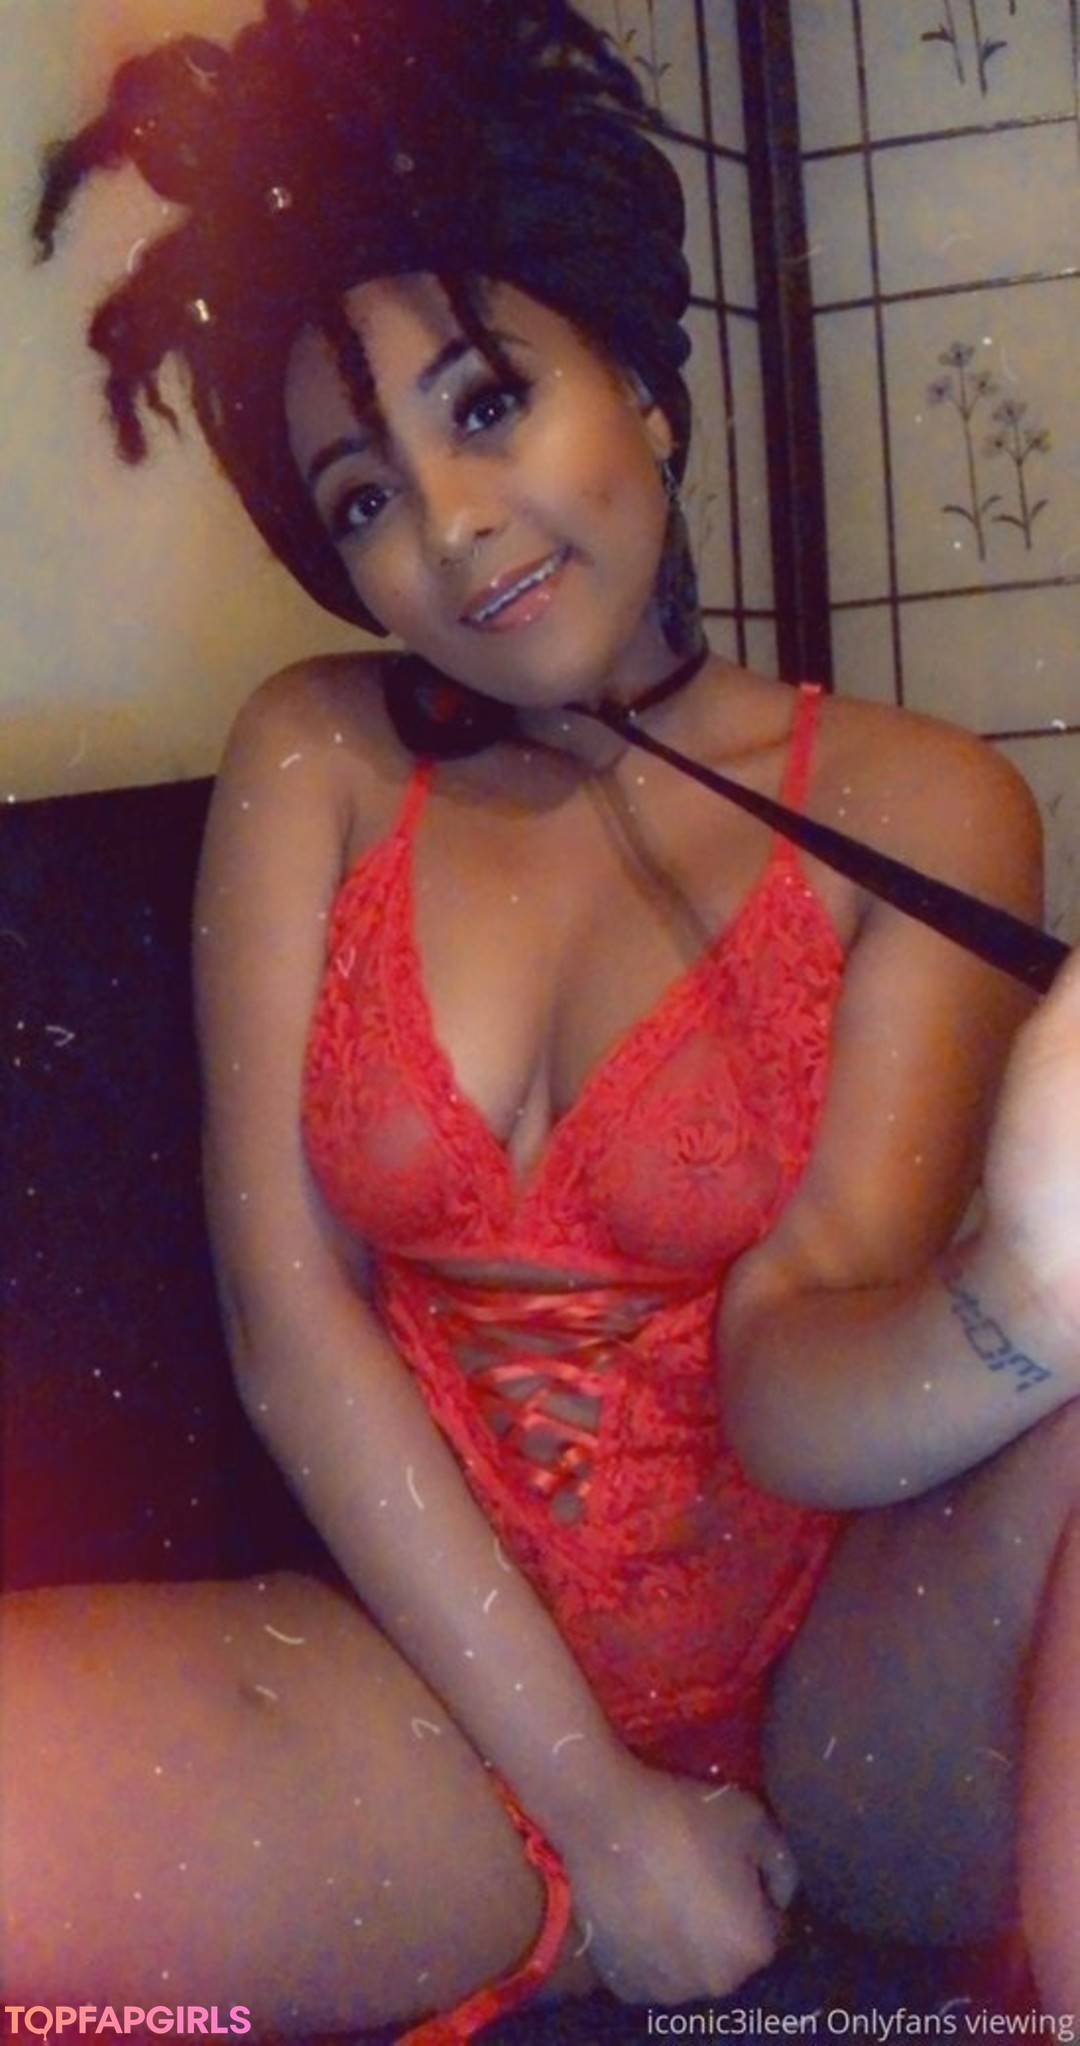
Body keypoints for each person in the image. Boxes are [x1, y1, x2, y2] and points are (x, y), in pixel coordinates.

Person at [6, 0, 1080, 2030]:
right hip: (434, 1704)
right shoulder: (315, 761)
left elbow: (796, 1380)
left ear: (646, 389)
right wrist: (597, 1810)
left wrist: (1033, 1281)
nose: (449, 527)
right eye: (362, 497)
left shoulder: (923, 805)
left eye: (488, 404)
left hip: (849, 1704)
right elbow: (288, 1321)